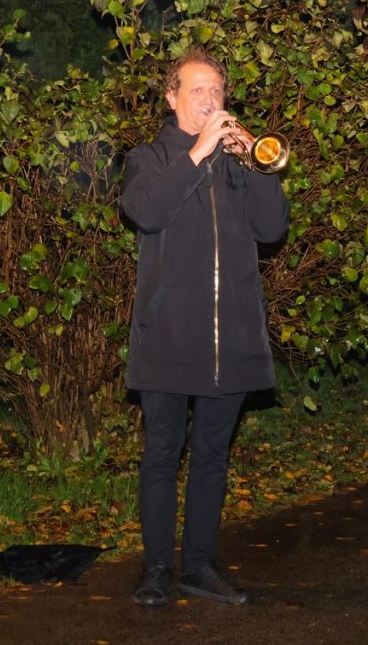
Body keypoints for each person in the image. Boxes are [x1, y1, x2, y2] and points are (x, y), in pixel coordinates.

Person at [121, 48, 290, 606]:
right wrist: (198, 153)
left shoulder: (238, 164)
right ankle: (155, 570)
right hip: (169, 334)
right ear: (171, 98)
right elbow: (146, 211)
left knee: (213, 458)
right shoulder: (147, 158)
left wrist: (258, 167)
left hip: (230, 337)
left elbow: (272, 229)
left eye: (216, 91)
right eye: (197, 90)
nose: (210, 100)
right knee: (162, 455)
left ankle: (199, 566)